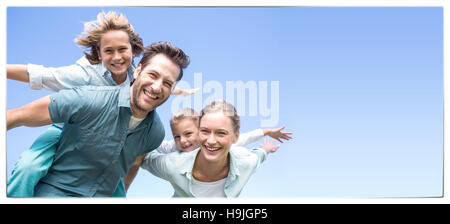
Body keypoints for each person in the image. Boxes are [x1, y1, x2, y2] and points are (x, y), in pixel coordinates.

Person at [6, 11, 196, 197]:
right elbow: (41, 76)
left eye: (122, 49)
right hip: (67, 127)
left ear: (133, 50)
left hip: (105, 153)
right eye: (109, 51)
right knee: (28, 166)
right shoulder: (85, 77)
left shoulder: (135, 79)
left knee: (116, 186)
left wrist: (179, 90)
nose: (117, 57)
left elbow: (157, 85)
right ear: (99, 53)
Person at [139, 100, 289, 197]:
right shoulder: (173, 163)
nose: (211, 141)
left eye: (221, 133)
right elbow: (145, 157)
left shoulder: (245, 162)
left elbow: (258, 154)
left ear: (234, 137)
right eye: (205, 131)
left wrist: (267, 145)